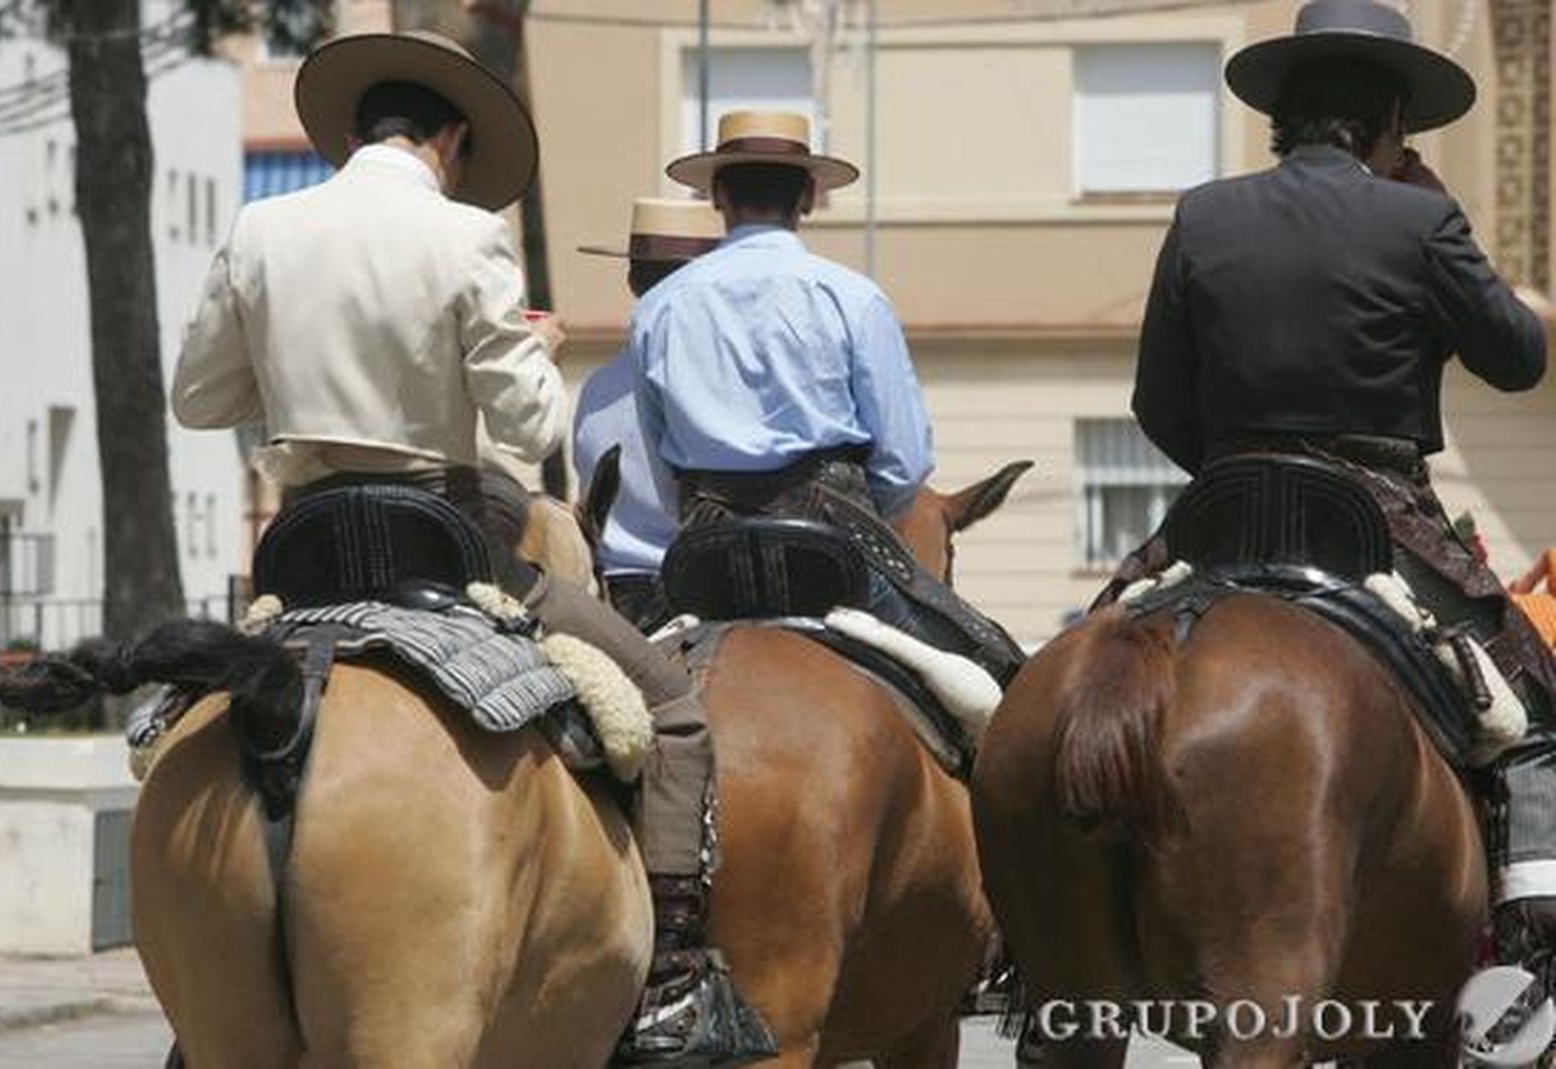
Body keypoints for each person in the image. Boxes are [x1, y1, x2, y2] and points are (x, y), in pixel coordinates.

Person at [170, 31, 771, 1065]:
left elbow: (198, 399)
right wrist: (535, 351)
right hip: (441, 548)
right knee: (667, 710)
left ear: (352, 136)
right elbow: (531, 431)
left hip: (300, 551)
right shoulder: (467, 239)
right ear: (447, 140)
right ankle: (672, 978)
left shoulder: (260, 226)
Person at [1128, 0, 1556, 983]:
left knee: (1090, 645)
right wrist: (1440, 224)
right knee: (1530, 700)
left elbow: (1155, 400)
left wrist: (1237, 473)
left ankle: (1034, 955)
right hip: (1380, 514)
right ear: (1389, 123)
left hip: (1223, 504)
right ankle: (1530, 929)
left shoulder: (1202, 211)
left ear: (1285, 114)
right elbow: (1520, 357)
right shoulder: (1419, 215)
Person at [629, 111, 1023, 686]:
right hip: (832, 548)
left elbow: (656, 460)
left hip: (705, 555)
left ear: (717, 195)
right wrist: (873, 519)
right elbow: (904, 462)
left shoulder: (660, 307)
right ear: (809, 197)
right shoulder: (853, 297)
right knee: (992, 673)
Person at [574, 198, 724, 633]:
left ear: (631, 280)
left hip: (615, 600)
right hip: (702, 594)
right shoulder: (730, 386)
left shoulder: (596, 386)